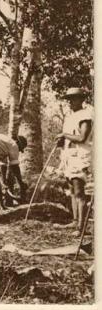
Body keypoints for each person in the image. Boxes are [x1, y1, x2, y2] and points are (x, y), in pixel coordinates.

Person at [56, 87, 93, 235]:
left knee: (79, 192)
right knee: (71, 190)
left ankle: (81, 228)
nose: (70, 102)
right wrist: (62, 141)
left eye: (73, 99)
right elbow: (70, 137)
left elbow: (82, 137)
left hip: (81, 156)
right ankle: (75, 221)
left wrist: (65, 135)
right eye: (69, 99)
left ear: (81, 100)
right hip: (70, 156)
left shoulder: (86, 115)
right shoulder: (70, 117)